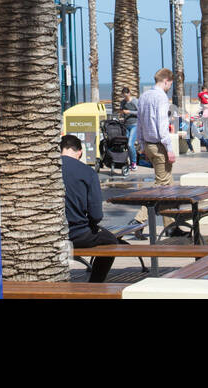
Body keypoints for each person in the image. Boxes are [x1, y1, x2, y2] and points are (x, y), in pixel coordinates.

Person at [60, 134, 126, 282]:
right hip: (78, 234)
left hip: (48, 234)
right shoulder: (87, 172)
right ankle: (95, 284)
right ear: (80, 152)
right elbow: (96, 215)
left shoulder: (48, 170)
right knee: (111, 241)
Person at [136, 69, 176, 186]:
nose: (169, 87)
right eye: (170, 84)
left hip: (148, 145)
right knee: (162, 184)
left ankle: (172, 204)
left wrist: (142, 146)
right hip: (159, 147)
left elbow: (139, 124)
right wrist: (169, 149)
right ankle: (146, 205)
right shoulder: (161, 97)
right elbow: (162, 124)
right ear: (165, 81)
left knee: (168, 182)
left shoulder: (143, 96)